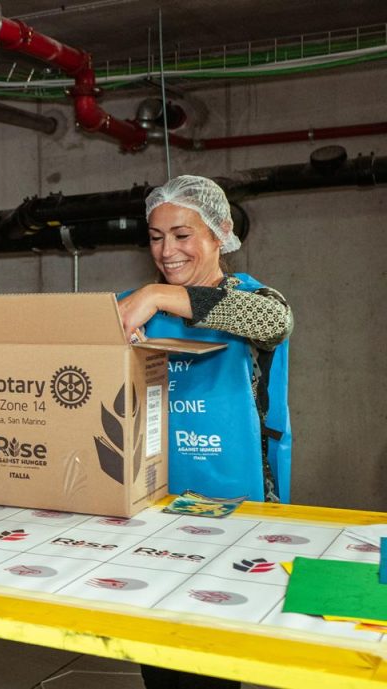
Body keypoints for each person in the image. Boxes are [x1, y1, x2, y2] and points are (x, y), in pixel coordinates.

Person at [117, 175, 292, 689]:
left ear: (220, 234)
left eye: (181, 234)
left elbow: (273, 323)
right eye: (155, 236)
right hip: (152, 508)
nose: (166, 250)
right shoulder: (132, 306)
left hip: (235, 510)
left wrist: (158, 295)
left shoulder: (252, 300)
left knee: (212, 660)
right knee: (161, 659)